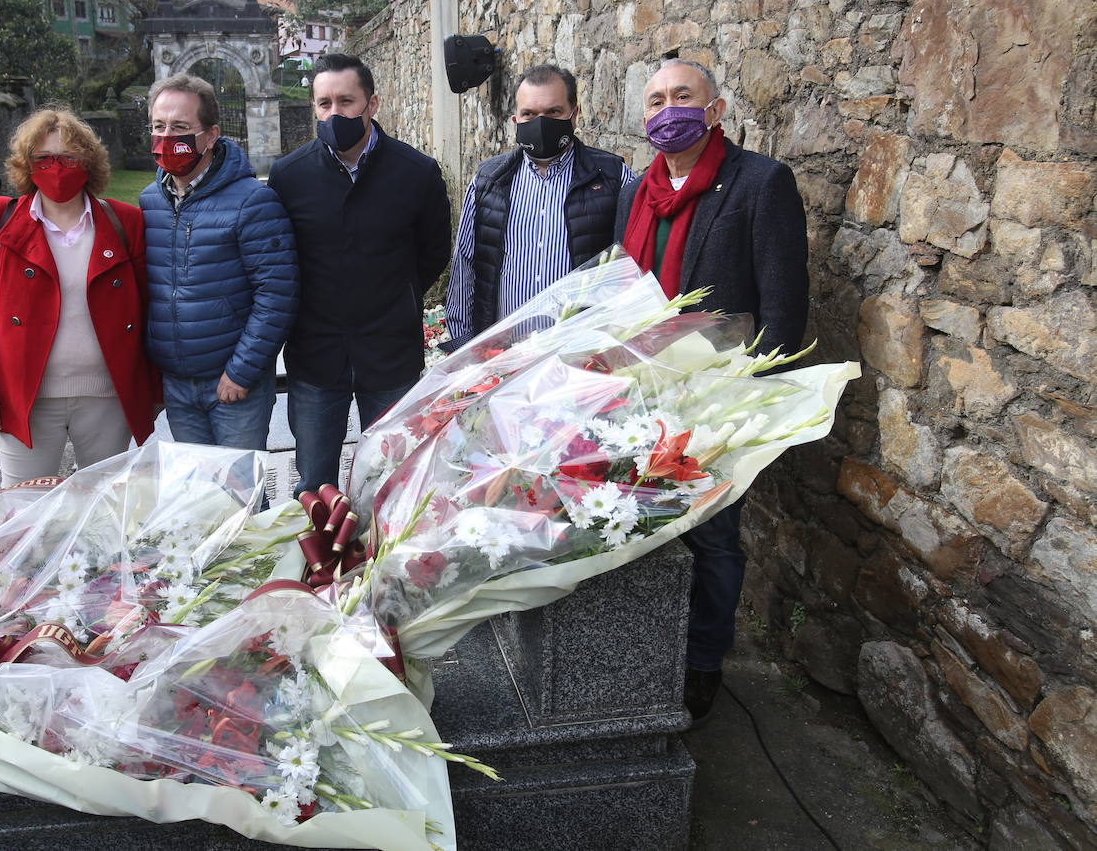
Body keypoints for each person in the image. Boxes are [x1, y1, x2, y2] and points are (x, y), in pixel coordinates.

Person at [613, 57, 808, 727]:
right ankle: (646, 647)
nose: (668, 110)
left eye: (683, 96)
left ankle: (701, 664)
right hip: (644, 396)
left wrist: (750, 408)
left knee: (713, 536)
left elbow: (782, 310)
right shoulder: (636, 192)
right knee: (640, 526)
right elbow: (619, 295)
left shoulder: (760, 183)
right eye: (657, 100)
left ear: (716, 110)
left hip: (718, 402)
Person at [267, 53, 451, 494]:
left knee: (394, 478)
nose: (334, 113)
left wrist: (395, 297)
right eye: (324, 103)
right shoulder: (288, 176)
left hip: (390, 353)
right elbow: (280, 260)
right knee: (313, 480)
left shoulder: (416, 172)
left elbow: (433, 252)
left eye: (346, 101)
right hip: (315, 356)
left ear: (372, 104)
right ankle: (320, 559)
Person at [0, 107, 157, 487]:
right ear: (25, 165)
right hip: (23, 400)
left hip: (107, 396)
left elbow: (148, 311)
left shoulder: (124, 222)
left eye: (68, 158)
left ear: (88, 162)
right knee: (21, 513)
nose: (55, 167)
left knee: (102, 512)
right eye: (42, 158)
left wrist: (152, 390)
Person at [140, 73, 298, 449]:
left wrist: (241, 372)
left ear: (210, 135)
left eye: (180, 127)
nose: (167, 136)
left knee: (241, 498)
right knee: (199, 497)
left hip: (233, 385)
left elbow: (277, 294)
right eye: (159, 126)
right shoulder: (149, 202)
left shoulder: (252, 201)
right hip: (177, 386)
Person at [444, 64, 635, 345]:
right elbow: (466, 264)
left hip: (582, 356)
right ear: (515, 120)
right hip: (505, 355)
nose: (541, 122)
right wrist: (463, 344)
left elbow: (629, 267)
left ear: (574, 115)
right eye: (530, 114)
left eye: (553, 112)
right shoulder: (488, 182)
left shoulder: (613, 177)